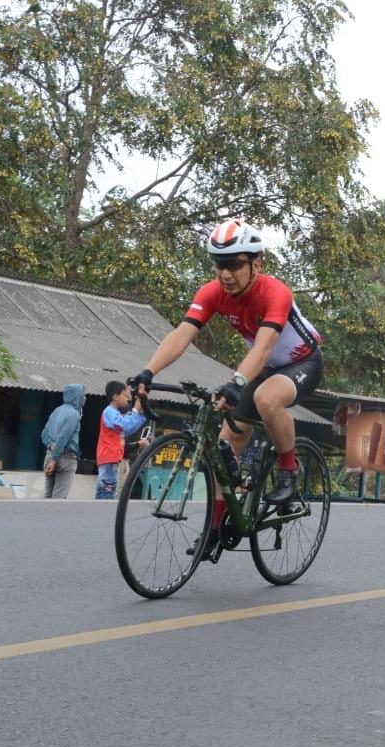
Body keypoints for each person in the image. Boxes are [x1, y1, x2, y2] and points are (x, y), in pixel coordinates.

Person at [132, 219, 322, 557]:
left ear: (257, 262)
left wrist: (236, 383)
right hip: (262, 368)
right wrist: (148, 371)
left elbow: (263, 347)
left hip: (301, 363)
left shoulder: (275, 292)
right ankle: (216, 529)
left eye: (234, 264)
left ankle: (288, 470)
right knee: (224, 444)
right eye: (220, 265)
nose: (226, 274)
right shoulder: (212, 293)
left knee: (266, 398)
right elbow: (182, 335)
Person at [95, 380, 148, 499]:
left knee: (109, 490)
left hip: (112, 458)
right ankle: (100, 515)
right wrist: (135, 411)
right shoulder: (109, 412)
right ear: (115, 396)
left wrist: (140, 415)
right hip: (108, 457)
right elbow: (125, 425)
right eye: (125, 395)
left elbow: (128, 427)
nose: (128, 399)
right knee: (106, 492)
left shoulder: (115, 413)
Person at [40, 383, 86, 497]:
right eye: (82, 394)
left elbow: (44, 434)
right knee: (59, 498)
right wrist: (54, 458)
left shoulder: (57, 411)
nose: (84, 398)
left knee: (48, 495)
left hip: (50, 454)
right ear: (77, 396)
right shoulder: (74, 415)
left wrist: (51, 447)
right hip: (65, 458)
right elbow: (63, 437)